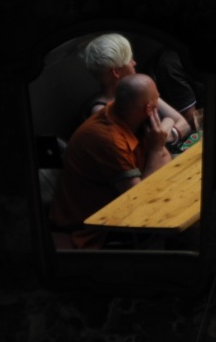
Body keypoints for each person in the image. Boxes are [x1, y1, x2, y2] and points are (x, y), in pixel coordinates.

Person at [49, 73, 173, 249]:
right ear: (149, 108)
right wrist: (156, 149)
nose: (158, 102)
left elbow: (165, 159)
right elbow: (140, 200)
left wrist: (157, 150)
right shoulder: (109, 139)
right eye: (156, 99)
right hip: (91, 227)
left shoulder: (129, 116)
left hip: (125, 203)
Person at [80, 33, 195, 145]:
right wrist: (167, 126)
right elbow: (130, 150)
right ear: (116, 72)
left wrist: (163, 137)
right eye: (129, 60)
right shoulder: (101, 111)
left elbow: (184, 124)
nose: (134, 63)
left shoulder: (140, 90)